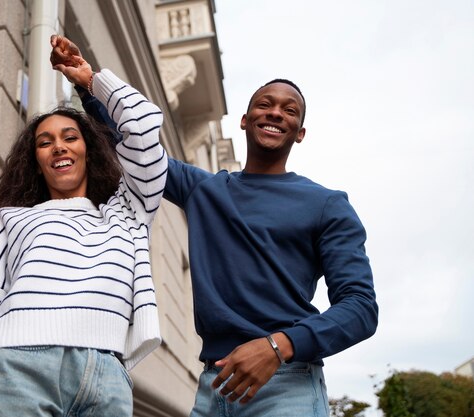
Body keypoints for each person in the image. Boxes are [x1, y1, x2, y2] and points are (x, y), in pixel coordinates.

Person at [52, 36, 379, 417]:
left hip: (286, 383)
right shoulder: (204, 190)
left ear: (300, 132)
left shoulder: (327, 204)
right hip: (213, 387)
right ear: (244, 120)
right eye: (264, 104)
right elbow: (132, 146)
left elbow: (360, 308)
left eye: (289, 111)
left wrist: (278, 345)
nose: (275, 113)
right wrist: (88, 84)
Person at [0, 35, 168, 417]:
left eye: (70, 137)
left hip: (107, 381)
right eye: (45, 142)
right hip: (11, 371)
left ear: (89, 150)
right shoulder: (11, 221)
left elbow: (144, 131)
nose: (59, 146)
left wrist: (90, 81)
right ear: (35, 161)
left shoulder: (125, 213)